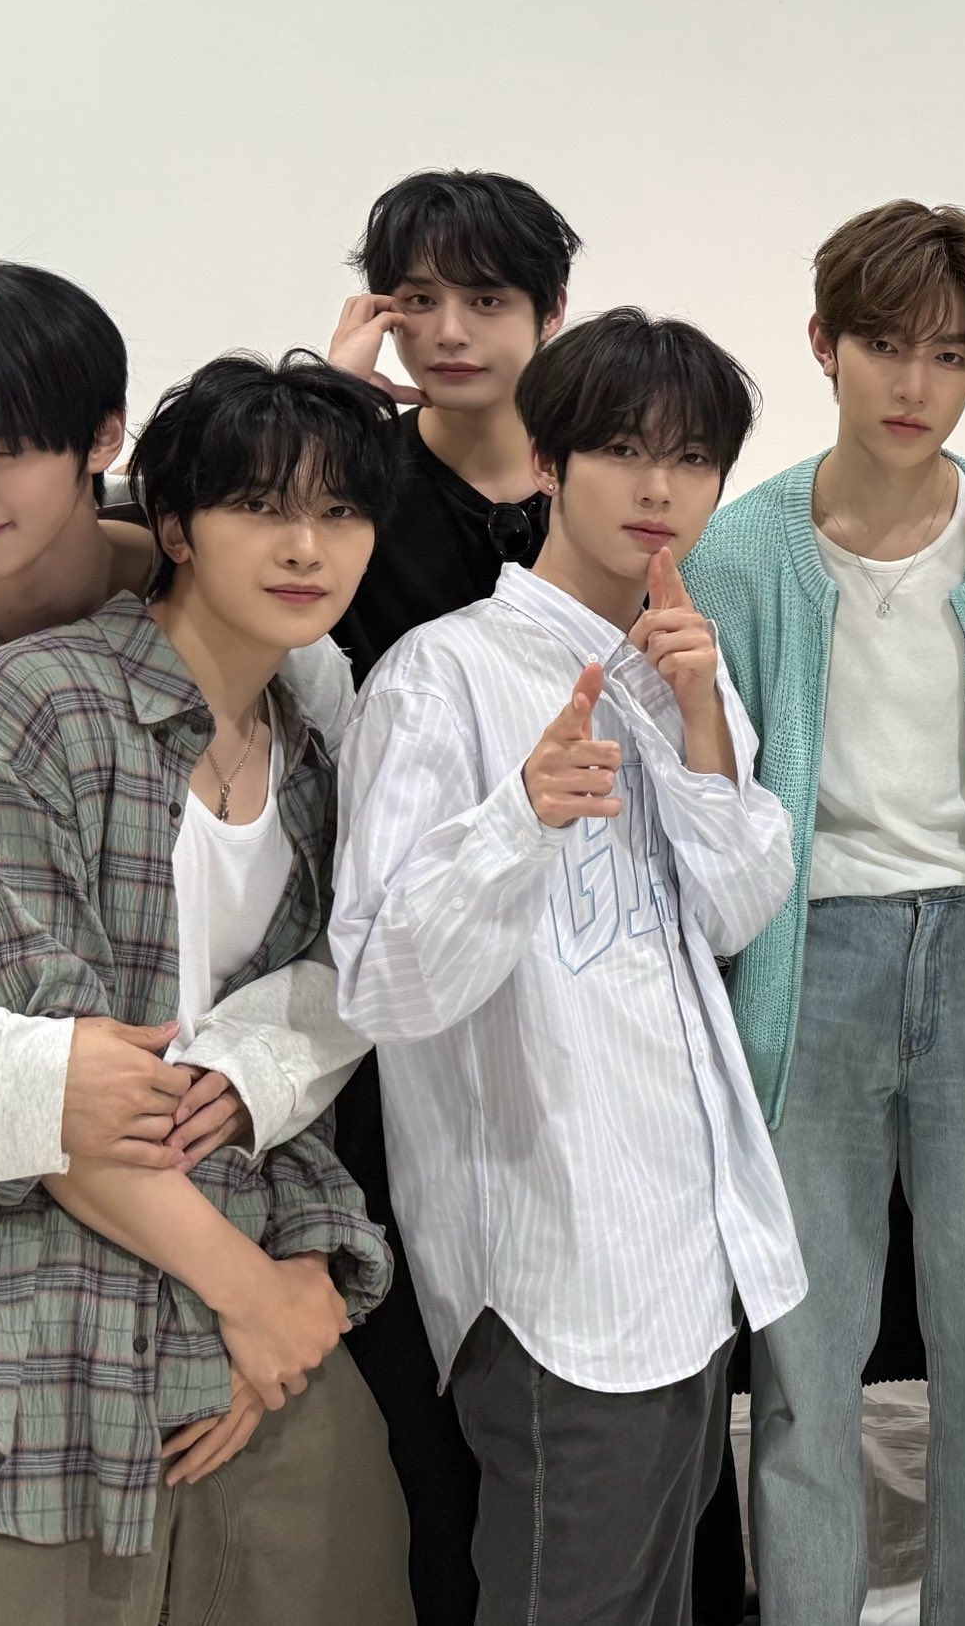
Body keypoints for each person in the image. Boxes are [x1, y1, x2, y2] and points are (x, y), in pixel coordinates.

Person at [0, 351, 414, 1624]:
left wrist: (302, 1280)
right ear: (176, 528)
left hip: (236, 1318)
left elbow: (277, 1078)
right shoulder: (22, 712)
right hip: (9, 1323)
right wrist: (252, 1294)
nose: (306, 546)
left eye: (341, 511)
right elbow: (60, 1091)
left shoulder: (313, 764)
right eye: (261, 507)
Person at [332, 307, 804, 1626]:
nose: (661, 488)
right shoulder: (441, 678)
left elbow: (739, 910)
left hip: (692, 1253)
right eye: (625, 450)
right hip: (555, 1278)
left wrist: (702, 720)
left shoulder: (680, 671)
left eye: (694, 458)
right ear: (546, 461)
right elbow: (382, 983)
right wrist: (520, 820)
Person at [684, 201, 965, 1622]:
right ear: (824, 344)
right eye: (883, 345)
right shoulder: (742, 553)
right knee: (805, 1366)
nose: (913, 384)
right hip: (813, 960)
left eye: (951, 355)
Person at [320, 167, 583, 1623]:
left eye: (487, 298)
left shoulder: (605, 476)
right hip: (407, 959)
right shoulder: (347, 486)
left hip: (586, 961)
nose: (452, 332)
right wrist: (329, 411)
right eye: (417, 299)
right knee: (422, 1336)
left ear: (552, 311)